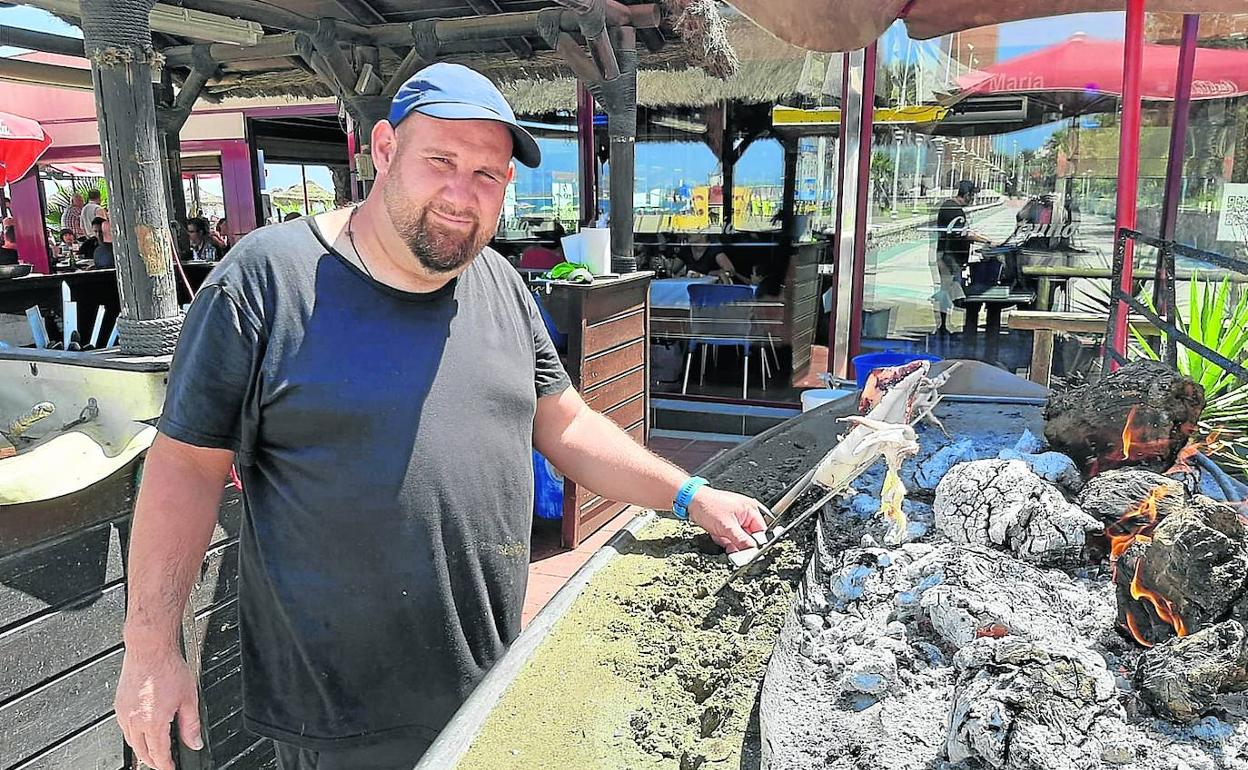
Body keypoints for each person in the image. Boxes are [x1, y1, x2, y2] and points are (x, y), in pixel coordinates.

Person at [113, 62, 767, 770]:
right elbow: (183, 464)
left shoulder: (501, 283)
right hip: (343, 715)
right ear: (386, 150)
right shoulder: (264, 281)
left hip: (487, 674)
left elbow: (568, 424)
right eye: (441, 161)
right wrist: (151, 647)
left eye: (486, 174)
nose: (463, 193)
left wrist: (690, 495)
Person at [932, 180, 992, 335]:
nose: (973, 199)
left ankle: (945, 325)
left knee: (947, 291)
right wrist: (987, 241)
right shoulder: (954, 211)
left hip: (949, 257)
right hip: (949, 259)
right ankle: (943, 326)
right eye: (972, 195)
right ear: (966, 195)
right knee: (947, 292)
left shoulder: (949, 206)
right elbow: (965, 235)